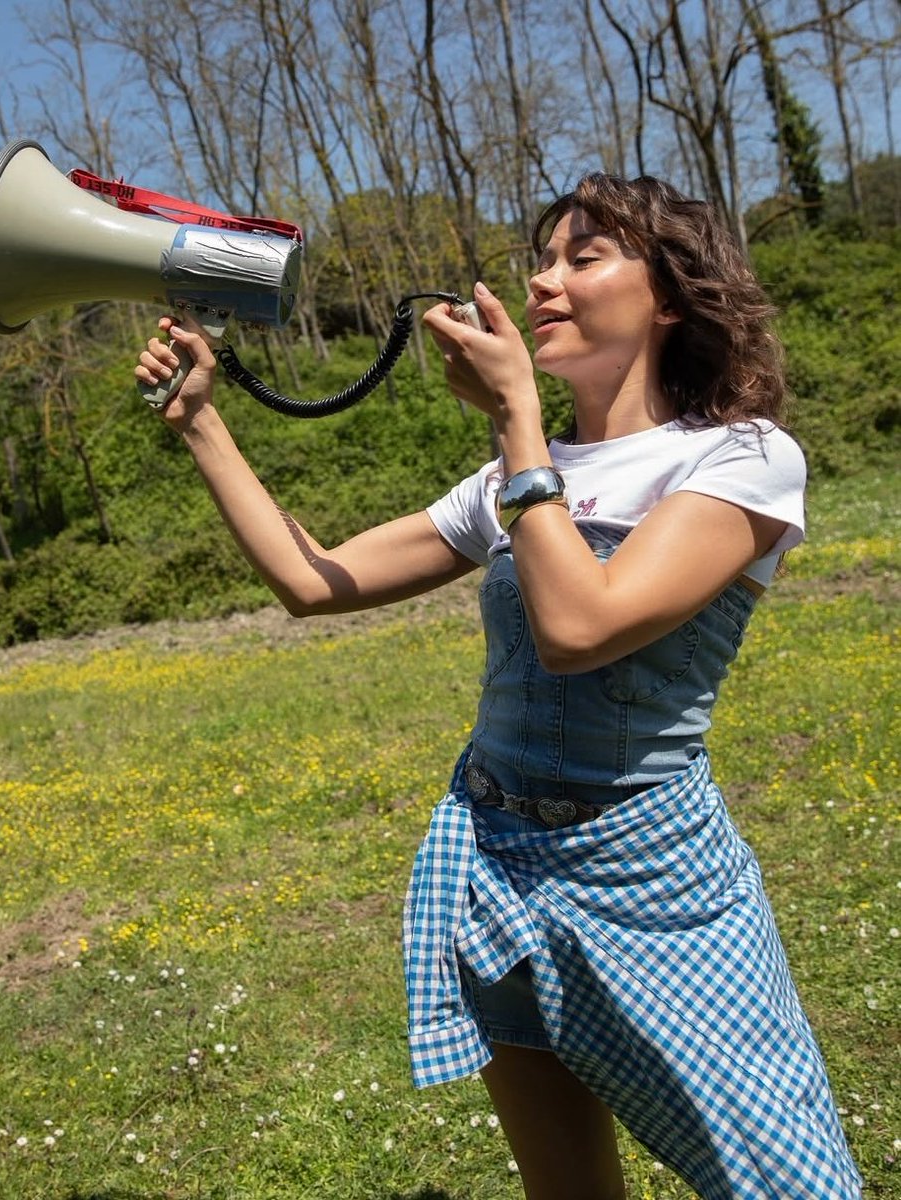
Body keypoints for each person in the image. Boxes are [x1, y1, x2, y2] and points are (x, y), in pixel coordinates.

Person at [134, 173, 861, 1200]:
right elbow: (313, 580)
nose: (541, 280)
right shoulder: (509, 481)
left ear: (668, 297)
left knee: (791, 1182)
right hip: (495, 861)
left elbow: (582, 629)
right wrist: (204, 423)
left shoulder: (738, 456)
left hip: (651, 877)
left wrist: (519, 423)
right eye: (542, 258)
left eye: (582, 255)